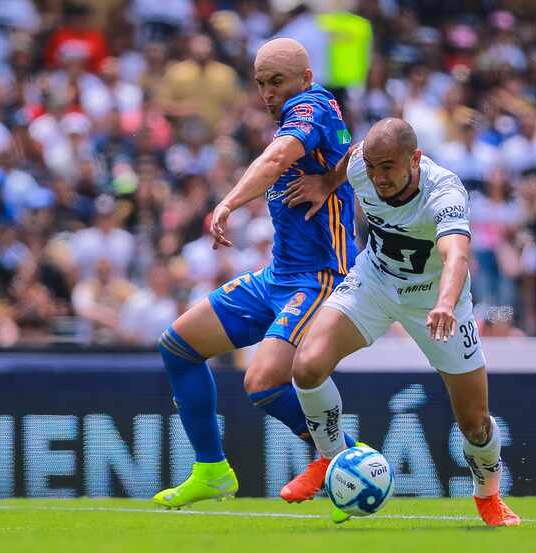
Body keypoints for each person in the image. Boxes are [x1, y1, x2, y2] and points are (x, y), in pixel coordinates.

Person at [152, 38, 358, 508]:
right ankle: (211, 470)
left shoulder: (311, 104)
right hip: (277, 276)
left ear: (305, 79)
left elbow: (276, 158)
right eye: (262, 83)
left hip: (319, 278)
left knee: (262, 382)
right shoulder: (314, 111)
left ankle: (344, 458)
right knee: (178, 347)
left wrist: (226, 202)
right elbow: (357, 151)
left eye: (277, 82)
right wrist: (330, 178)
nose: (269, 94)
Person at [284, 118, 520, 527]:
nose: (377, 177)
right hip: (374, 283)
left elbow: (456, 257)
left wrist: (445, 304)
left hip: (436, 302)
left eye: (388, 167)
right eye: (372, 167)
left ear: (415, 158)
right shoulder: (361, 166)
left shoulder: (444, 191)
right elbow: (352, 158)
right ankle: (328, 456)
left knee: (474, 423)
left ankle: (488, 496)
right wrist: (326, 183)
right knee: (306, 367)